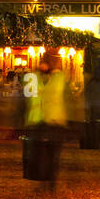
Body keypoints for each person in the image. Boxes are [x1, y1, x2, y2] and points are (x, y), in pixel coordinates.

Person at [25, 54, 69, 191]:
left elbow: (29, 95)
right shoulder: (54, 78)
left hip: (50, 121)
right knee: (47, 154)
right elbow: (29, 95)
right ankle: (48, 182)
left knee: (48, 154)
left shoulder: (56, 78)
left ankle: (48, 183)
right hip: (46, 121)